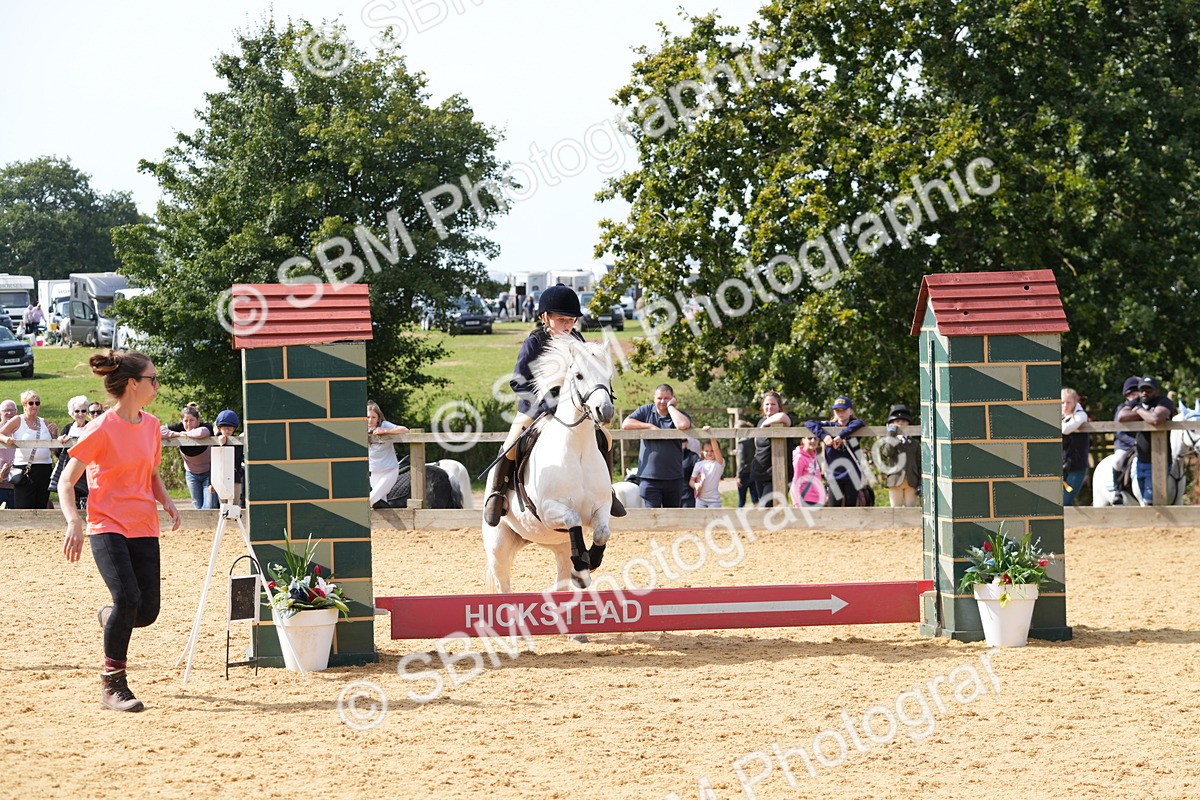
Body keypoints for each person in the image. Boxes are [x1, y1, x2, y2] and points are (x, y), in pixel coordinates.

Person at [59, 350, 182, 712]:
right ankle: (113, 686)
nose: (157, 386)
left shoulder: (150, 425)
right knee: (127, 599)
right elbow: (67, 481)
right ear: (133, 383)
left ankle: (109, 617)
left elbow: (154, 474)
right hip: (107, 525)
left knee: (147, 612)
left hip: (144, 525)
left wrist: (168, 502)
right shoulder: (101, 428)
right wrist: (74, 521)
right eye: (152, 379)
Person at [484, 284, 626, 524]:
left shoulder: (578, 341)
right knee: (510, 446)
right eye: (561, 319)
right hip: (536, 410)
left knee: (606, 439)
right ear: (544, 317)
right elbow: (518, 382)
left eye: (571, 320)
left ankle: (606, 491)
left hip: (575, 410)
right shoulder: (534, 342)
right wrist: (547, 406)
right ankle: (497, 494)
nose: (568, 325)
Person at [621, 384, 693, 508]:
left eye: (667, 398)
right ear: (654, 398)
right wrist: (649, 426)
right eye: (659, 398)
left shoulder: (677, 414)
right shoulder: (645, 410)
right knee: (652, 516)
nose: (662, 401)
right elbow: (626, 424)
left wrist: (671, 407)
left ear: (672, 398)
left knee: (672, 516)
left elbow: (683, 425)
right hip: (649, 477)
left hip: (673, 477)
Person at [1117, 376, 1176, 504]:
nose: (1144, 393)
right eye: (1142, 390)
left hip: (1159, 461)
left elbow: (1156, 419)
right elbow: (1121, 416)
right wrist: (1145, 413)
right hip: (1140, 459)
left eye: (1149, 390)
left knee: (1149, 502)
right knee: (1143, 500)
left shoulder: (1164, 401)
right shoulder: (1138, 400)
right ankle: (1117, 490)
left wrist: (1138, 410)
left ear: (1156, 391)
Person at [806, 395, 872, 507]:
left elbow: (860, 422)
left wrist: (841, 436)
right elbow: (809, 423)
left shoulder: (854, 426)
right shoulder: (829, 426)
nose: (840, 413)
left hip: (852, 476)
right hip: (834, 475)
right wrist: (824, 436)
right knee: (834, 509)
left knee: (851, 509)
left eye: (844, 410)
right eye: (837, 411)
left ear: (850, 411)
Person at [0, 389, 59, 508]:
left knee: (41, 504)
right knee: (24, 505)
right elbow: (1, 433)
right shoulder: (17, 420)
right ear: (24, 405)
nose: (34, 406)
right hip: (25, 469)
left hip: (44, 467)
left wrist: (55, 434)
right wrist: (7, 440)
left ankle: (40, 527)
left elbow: (53, 449)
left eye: (37, 403)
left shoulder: (43, 422)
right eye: (31, 403)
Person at [160, 404, 215, 510]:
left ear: (198, 420)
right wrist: (178, 434)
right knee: (197, 505)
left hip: (208, 474)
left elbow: (202, 432)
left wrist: (186, 434)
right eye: (185, 421)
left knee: (208, 506)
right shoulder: (180, 428)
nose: (188, 423)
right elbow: (159, 431)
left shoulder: (206, 426)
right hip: (191, 474)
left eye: (192, 420)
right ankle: (200, 527)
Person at [49, 395, 92, 510]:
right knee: (70, 496)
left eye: (83, 411)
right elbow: (58, 453)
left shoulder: (91, 426)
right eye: (77, 411)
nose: (80, 414)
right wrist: (61, 441)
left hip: (86, 468)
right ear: (72, 413)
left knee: (86, 498)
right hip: (69, 467)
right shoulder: (68, 428)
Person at [749, 391, 791, 506]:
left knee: (765, 507)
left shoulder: (781, 422)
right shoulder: (760, 422)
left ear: (779, 407)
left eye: (773, 404)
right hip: (759, 473)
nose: (769, 407)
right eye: (767, 404)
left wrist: (765, 425)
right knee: (765, 511)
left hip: (775, 475)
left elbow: (783, 416)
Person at [879, 404, 921, 508]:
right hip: (895, 480)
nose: (900, 423)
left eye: (903, 421)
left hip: (912, 481)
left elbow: (919, 463)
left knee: (911, 510)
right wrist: (890, 435)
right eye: (897, 421)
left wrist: (921, 482)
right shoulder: (890, 440)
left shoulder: (915, 443)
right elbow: (887, 452)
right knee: (895, 512)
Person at [367, 401, 408, 507]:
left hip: (389, 470)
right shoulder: (362, 428)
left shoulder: (384, 424)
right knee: (380, 504)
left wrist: (385, 430)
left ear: (378, 418)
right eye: (368, 417)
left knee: (371, 499)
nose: (370, 420)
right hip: (374, 471)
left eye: (373, 417)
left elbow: (405, 429)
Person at [1109, 376, 1140, 502]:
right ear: (1127, 396)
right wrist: (1133, 442)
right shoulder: (1121, 409)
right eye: (1132, 395)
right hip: (1125, 444)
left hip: (1143, 444)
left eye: (1137, 393)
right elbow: (1119, 432)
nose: (1135, 397)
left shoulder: (1144, 408)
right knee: (1117, 461)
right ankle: (1117, 490)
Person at [1061, 388, 1090, 506]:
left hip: (1076, 466)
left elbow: (1065, 429)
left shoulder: (1081, 415)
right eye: (1062, 402)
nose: (1065, 405)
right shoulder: (1061, 416)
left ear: (1075, 402)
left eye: (1068, 402)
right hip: (1061, 466)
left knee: (1066, 501)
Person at [212, 409, 244, 506]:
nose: (228, 430)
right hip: (220, 477)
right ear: (219, 427)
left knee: (235, 506)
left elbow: (236, 459)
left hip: (235, 477)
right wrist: (211, 482)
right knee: (223, 506)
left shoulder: (238, 441)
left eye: (230, 427)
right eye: (225, 427)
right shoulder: (215, 442)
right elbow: (215, 462)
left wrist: (225, 445)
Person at [689, 426, 725, 508]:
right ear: (702, 451)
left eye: (712, 451)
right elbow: (691, 481)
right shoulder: (698, 464)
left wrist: (711, 435)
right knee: (700, 520)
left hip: (714, 501)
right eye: (706, 451)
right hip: (700, 500)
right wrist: (695, 485)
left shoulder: (719, 463)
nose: (709, 453)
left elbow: (716, 450)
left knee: (714, 520)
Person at [790, 434, 825, 507]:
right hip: (805, 500)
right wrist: (796, 503)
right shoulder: (799, 458)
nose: (813, 441)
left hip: (817, 500)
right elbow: (795, 481)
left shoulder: (815, 457)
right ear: (803, 440)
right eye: (809, 438)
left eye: (815, 438)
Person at [734, 420, 760, 507]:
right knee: (755, 498)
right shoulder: (754, 439)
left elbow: (741, 461)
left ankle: (739, 518)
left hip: (744, 473)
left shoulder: (741, 442)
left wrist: (738, 475)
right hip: (754, 470)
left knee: (741, 500)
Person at [0, 400, 17, 508]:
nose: (9, 413)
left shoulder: (21, 431)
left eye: (12, 410)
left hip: (16, 483)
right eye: (6, 410)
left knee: (17, 516)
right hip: (0, 482)